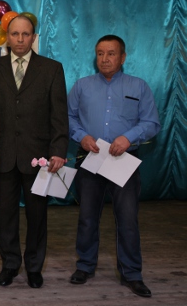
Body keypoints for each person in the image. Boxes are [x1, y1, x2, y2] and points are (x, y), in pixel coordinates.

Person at [0, 15, 68, 289]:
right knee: (5, 214)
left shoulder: (51, 69)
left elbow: (59, 115)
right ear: (7, 37)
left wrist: (58, 150)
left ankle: (34, 266)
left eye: (25, 34)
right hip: (3, 154)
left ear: (34, 37)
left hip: (39, 157)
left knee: (37, 215)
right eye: (15, 34)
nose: (20, 39)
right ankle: (9, 264)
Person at [67, 34, 160, 297]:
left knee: (127, 219)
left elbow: (152, 123)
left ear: (123, 57)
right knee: (87, 217)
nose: (105, 59)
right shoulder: (82, 86)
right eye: (100, 53)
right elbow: (68, 117)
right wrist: (81, 136)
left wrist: (128, 137)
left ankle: (132, 274)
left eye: (111, 53)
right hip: (90, 160)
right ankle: (85, 266)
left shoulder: (139, 86)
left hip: (123, 161)